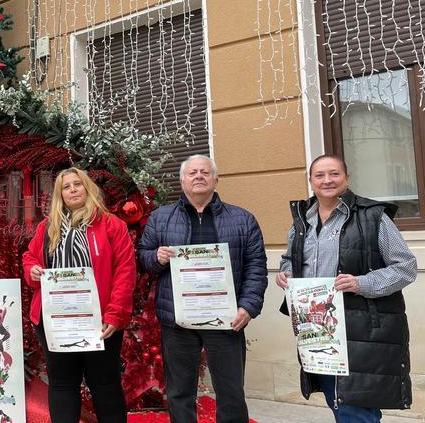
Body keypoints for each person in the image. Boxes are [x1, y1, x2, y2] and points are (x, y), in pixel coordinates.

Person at [276, 154, 416, 421]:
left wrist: (361, 283)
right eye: (320, 175)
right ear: (311, 180)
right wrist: (285, 274)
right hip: (319, 329)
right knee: (338, 402)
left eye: (334, 174)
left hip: (360, 331)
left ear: (346, 178)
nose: (327, 180)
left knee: (356, 409)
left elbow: (405, 267)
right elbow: (289, 260)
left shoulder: (372, 217)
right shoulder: (302, 222)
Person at [137, 154, 267, 423]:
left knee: (231, 392)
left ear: (216, 180)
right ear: (182, 180)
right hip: (178, 321)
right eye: (193, 172)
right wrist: (156, 257)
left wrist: (248, 307)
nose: (199, 176)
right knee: (179, 392)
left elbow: (256, 266)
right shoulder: (160, 218)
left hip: (227, 319)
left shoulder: (242, 219)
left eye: (205, 172)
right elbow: (142, 258)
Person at [22, 167, 135, 423]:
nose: (72, 190)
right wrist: (33, 270)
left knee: (104, 384)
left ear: (88, 188)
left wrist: (115, 314)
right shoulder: (47, 227)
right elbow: (29, 257)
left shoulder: (111, 225)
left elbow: (125, 272)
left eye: (77, 184)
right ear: (60, 195)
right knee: (62, 383)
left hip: (100, 321)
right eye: (66, 186)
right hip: (55, 320)